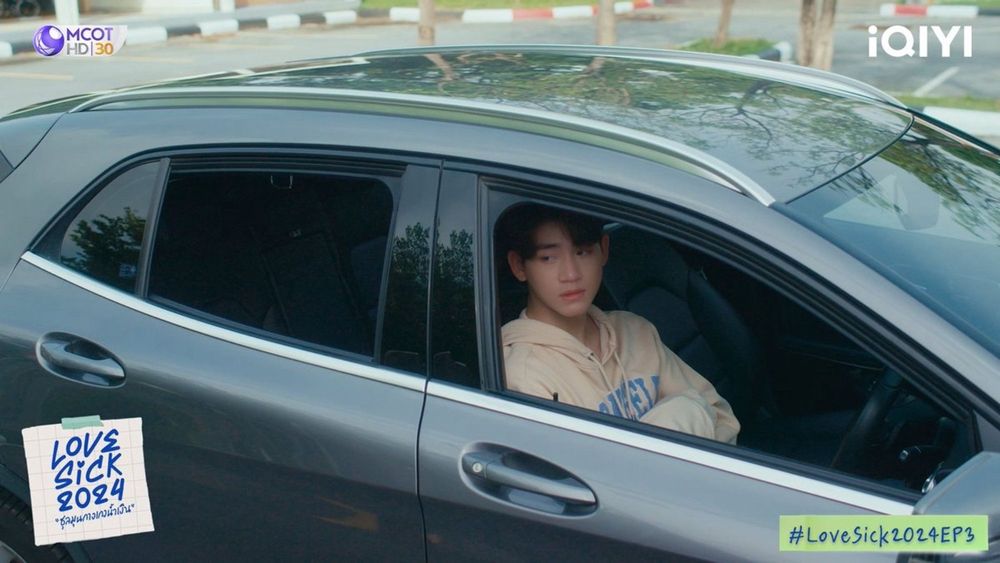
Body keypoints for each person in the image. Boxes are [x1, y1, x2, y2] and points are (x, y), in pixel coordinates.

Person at [498, 204, 740, 444]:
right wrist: (684, 418)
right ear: (519, 266)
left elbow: (721, 416)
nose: (571, 274)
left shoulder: (633, 331)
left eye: (582, 252)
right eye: (548, 258)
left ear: (603, 250)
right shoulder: (525, 375)